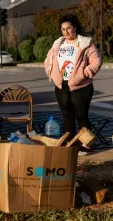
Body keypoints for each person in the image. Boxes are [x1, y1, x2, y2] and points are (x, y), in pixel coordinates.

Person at [44, 13, 102, 154]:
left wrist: (84, 73)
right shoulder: (58, 44)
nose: (66, 32)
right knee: (67, 115)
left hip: (81, 86)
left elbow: (96, 61)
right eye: (63, 29)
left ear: (74, 28)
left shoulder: (85, 44)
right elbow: (48, 60)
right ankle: (69, 142)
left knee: (81, 115)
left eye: (68, 28)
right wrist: (51, 73)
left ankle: (87, 144)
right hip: (61, 86)